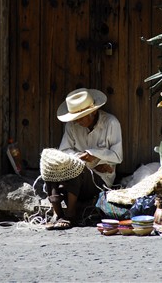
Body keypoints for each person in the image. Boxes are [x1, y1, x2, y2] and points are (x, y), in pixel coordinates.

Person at [42, 88, 123, 230]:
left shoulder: (111, 123)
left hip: (99, 180)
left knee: (77, 169)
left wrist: (94, 155)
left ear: (93, 112)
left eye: (81, 117)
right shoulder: (72, 125)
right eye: (76, 117)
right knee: (50, 161)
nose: (77, 121)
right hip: (72, 176)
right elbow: (64, 152)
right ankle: (57, 213)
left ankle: (71, 213)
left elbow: (117, 156)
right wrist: (81, 158)